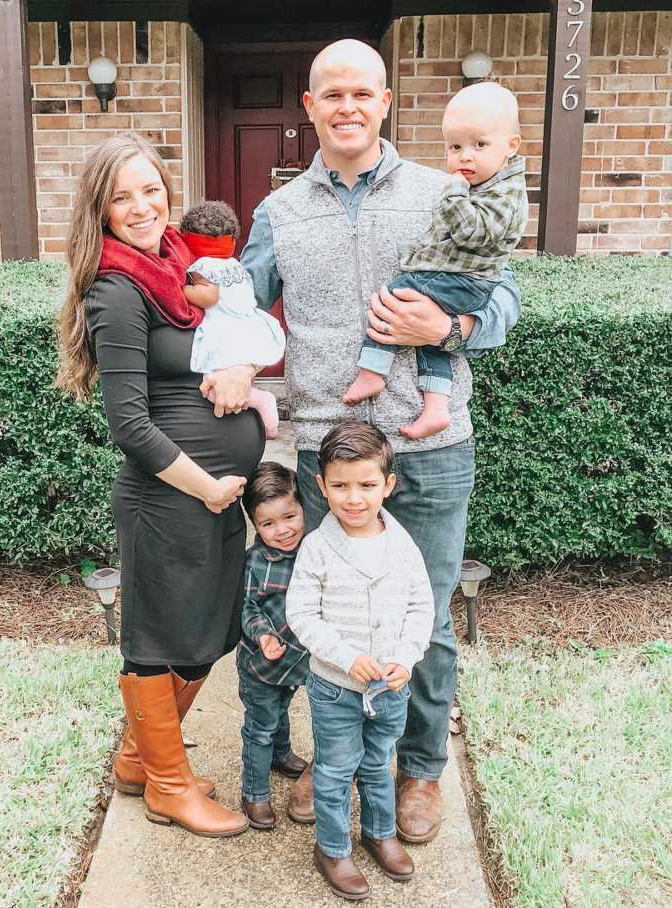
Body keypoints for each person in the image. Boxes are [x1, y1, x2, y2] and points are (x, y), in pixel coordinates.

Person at [239, 38, 521, 846]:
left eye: (363, 92)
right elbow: (245, 311)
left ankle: (418, 771)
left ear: (387, 101)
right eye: (332, 94)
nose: (348, 107)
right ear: (310, 106)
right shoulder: (280, 211)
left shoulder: (446, 189)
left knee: (421, 620)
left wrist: (454, 324)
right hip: (324, 452)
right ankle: (334, 766)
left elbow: (504, 301)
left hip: (426, 447)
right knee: (323, 616)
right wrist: (231, 366)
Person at [56, 132, 265, 838]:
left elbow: (226, 342)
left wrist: (245, 377)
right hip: (168, 497)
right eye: (122, 196)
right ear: (101, 211)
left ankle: (138, 759)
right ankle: (168, 786)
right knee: (158, 641)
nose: (143, 206)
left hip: (207, 495)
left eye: (151, 189)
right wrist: (207, 487)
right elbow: (129, 426)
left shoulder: (177, 268)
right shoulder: (117, 290)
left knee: (207, 632)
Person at [287, 421, 434, 897]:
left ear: (387, 486)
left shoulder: (402, 544)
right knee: (334, 768)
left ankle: (379, 833)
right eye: (341, 485)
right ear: (321, 485)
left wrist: (407, 657)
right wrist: (347, 657)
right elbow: (302, 616)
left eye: (367, 485)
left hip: (390, 685)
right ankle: (332, 847)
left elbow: (421, 607)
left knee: (378, 762)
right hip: (336, 687)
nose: (354, 498)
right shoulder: (316, 548)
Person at [343, 81, 528, 440]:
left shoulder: (468, 190)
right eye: (455, 146)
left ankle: (372, 370)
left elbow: (500, 285)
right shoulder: (475, 187)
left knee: (398, 293)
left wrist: (454, 329)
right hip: (331, 438)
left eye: (479, 145)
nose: (465, 156)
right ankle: (436, 406)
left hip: (468, 284)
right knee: (429, 341)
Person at [237, 462, 310, 830]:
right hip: (261, 665)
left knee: (282, 709)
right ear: (255, 525)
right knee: (260, 726)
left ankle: (281, 755)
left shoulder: (311, 554)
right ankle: (255, 793)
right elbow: (247, 606)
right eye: (268, 524)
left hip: (296, 663)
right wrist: (263, 635)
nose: (282, 530)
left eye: (290, 516)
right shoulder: (255, 563)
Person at [180, 200, 286, 439]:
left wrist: (179, 291)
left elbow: (208, 296)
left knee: (212, 385)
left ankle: (259, 400)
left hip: (223, 331)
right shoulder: (233, 265)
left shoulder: (202, 265)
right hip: (247, 325)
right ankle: (262, 411)